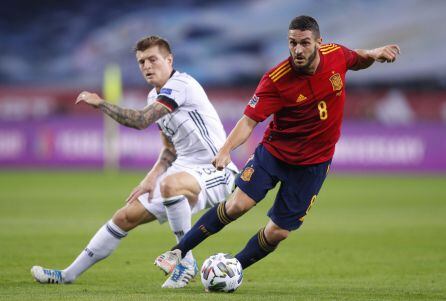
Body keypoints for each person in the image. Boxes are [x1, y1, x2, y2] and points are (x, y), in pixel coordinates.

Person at [154, 16, 400, 277]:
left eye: (305, 43)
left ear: (319, 42)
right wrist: (226, 150)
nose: (298, 50)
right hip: (274, 154)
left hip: (313, 164)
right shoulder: (276, 80)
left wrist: (374, 53)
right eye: (292, 43)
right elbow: (248, 122)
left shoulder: (336, 54)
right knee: (238, 205)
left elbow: (357, 59)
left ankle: (233, 269)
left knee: (279, 231)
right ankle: (178, 251)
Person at [30, 35, 238, 289]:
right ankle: (68, 274)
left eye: (153, 59)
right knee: (125, 216)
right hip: (184, 170)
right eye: (141, 62)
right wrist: (151, 178)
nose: (147, 66)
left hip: (217, 168)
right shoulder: (154, 96)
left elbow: (140, 121)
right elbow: (170, 149)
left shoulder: (181, 85)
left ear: (169, 60)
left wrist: (101, 103)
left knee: (170, 185)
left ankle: (185, 259)